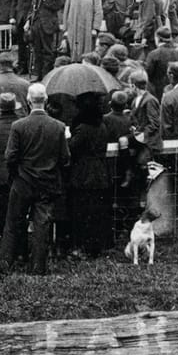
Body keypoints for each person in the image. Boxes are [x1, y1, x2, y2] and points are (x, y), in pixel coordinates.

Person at [0, 89, 68, 275]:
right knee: (41, 225)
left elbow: (10, 156)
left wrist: (15, 173)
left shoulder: (19, 126)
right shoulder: (58, 126)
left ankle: (5, 264)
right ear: (45, 100)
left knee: (13, 222)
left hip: (23, 180)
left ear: (29, 101)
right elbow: (65, 158)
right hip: (47, 181)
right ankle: (38, 267)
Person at [62, 91, 114, 258]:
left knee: (81, 212)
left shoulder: (83, 129)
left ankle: (81, 246)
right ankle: (96, 246)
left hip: (83, 173)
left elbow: (71, 148)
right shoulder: (102, 126)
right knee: (97, 212)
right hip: (100, 172)